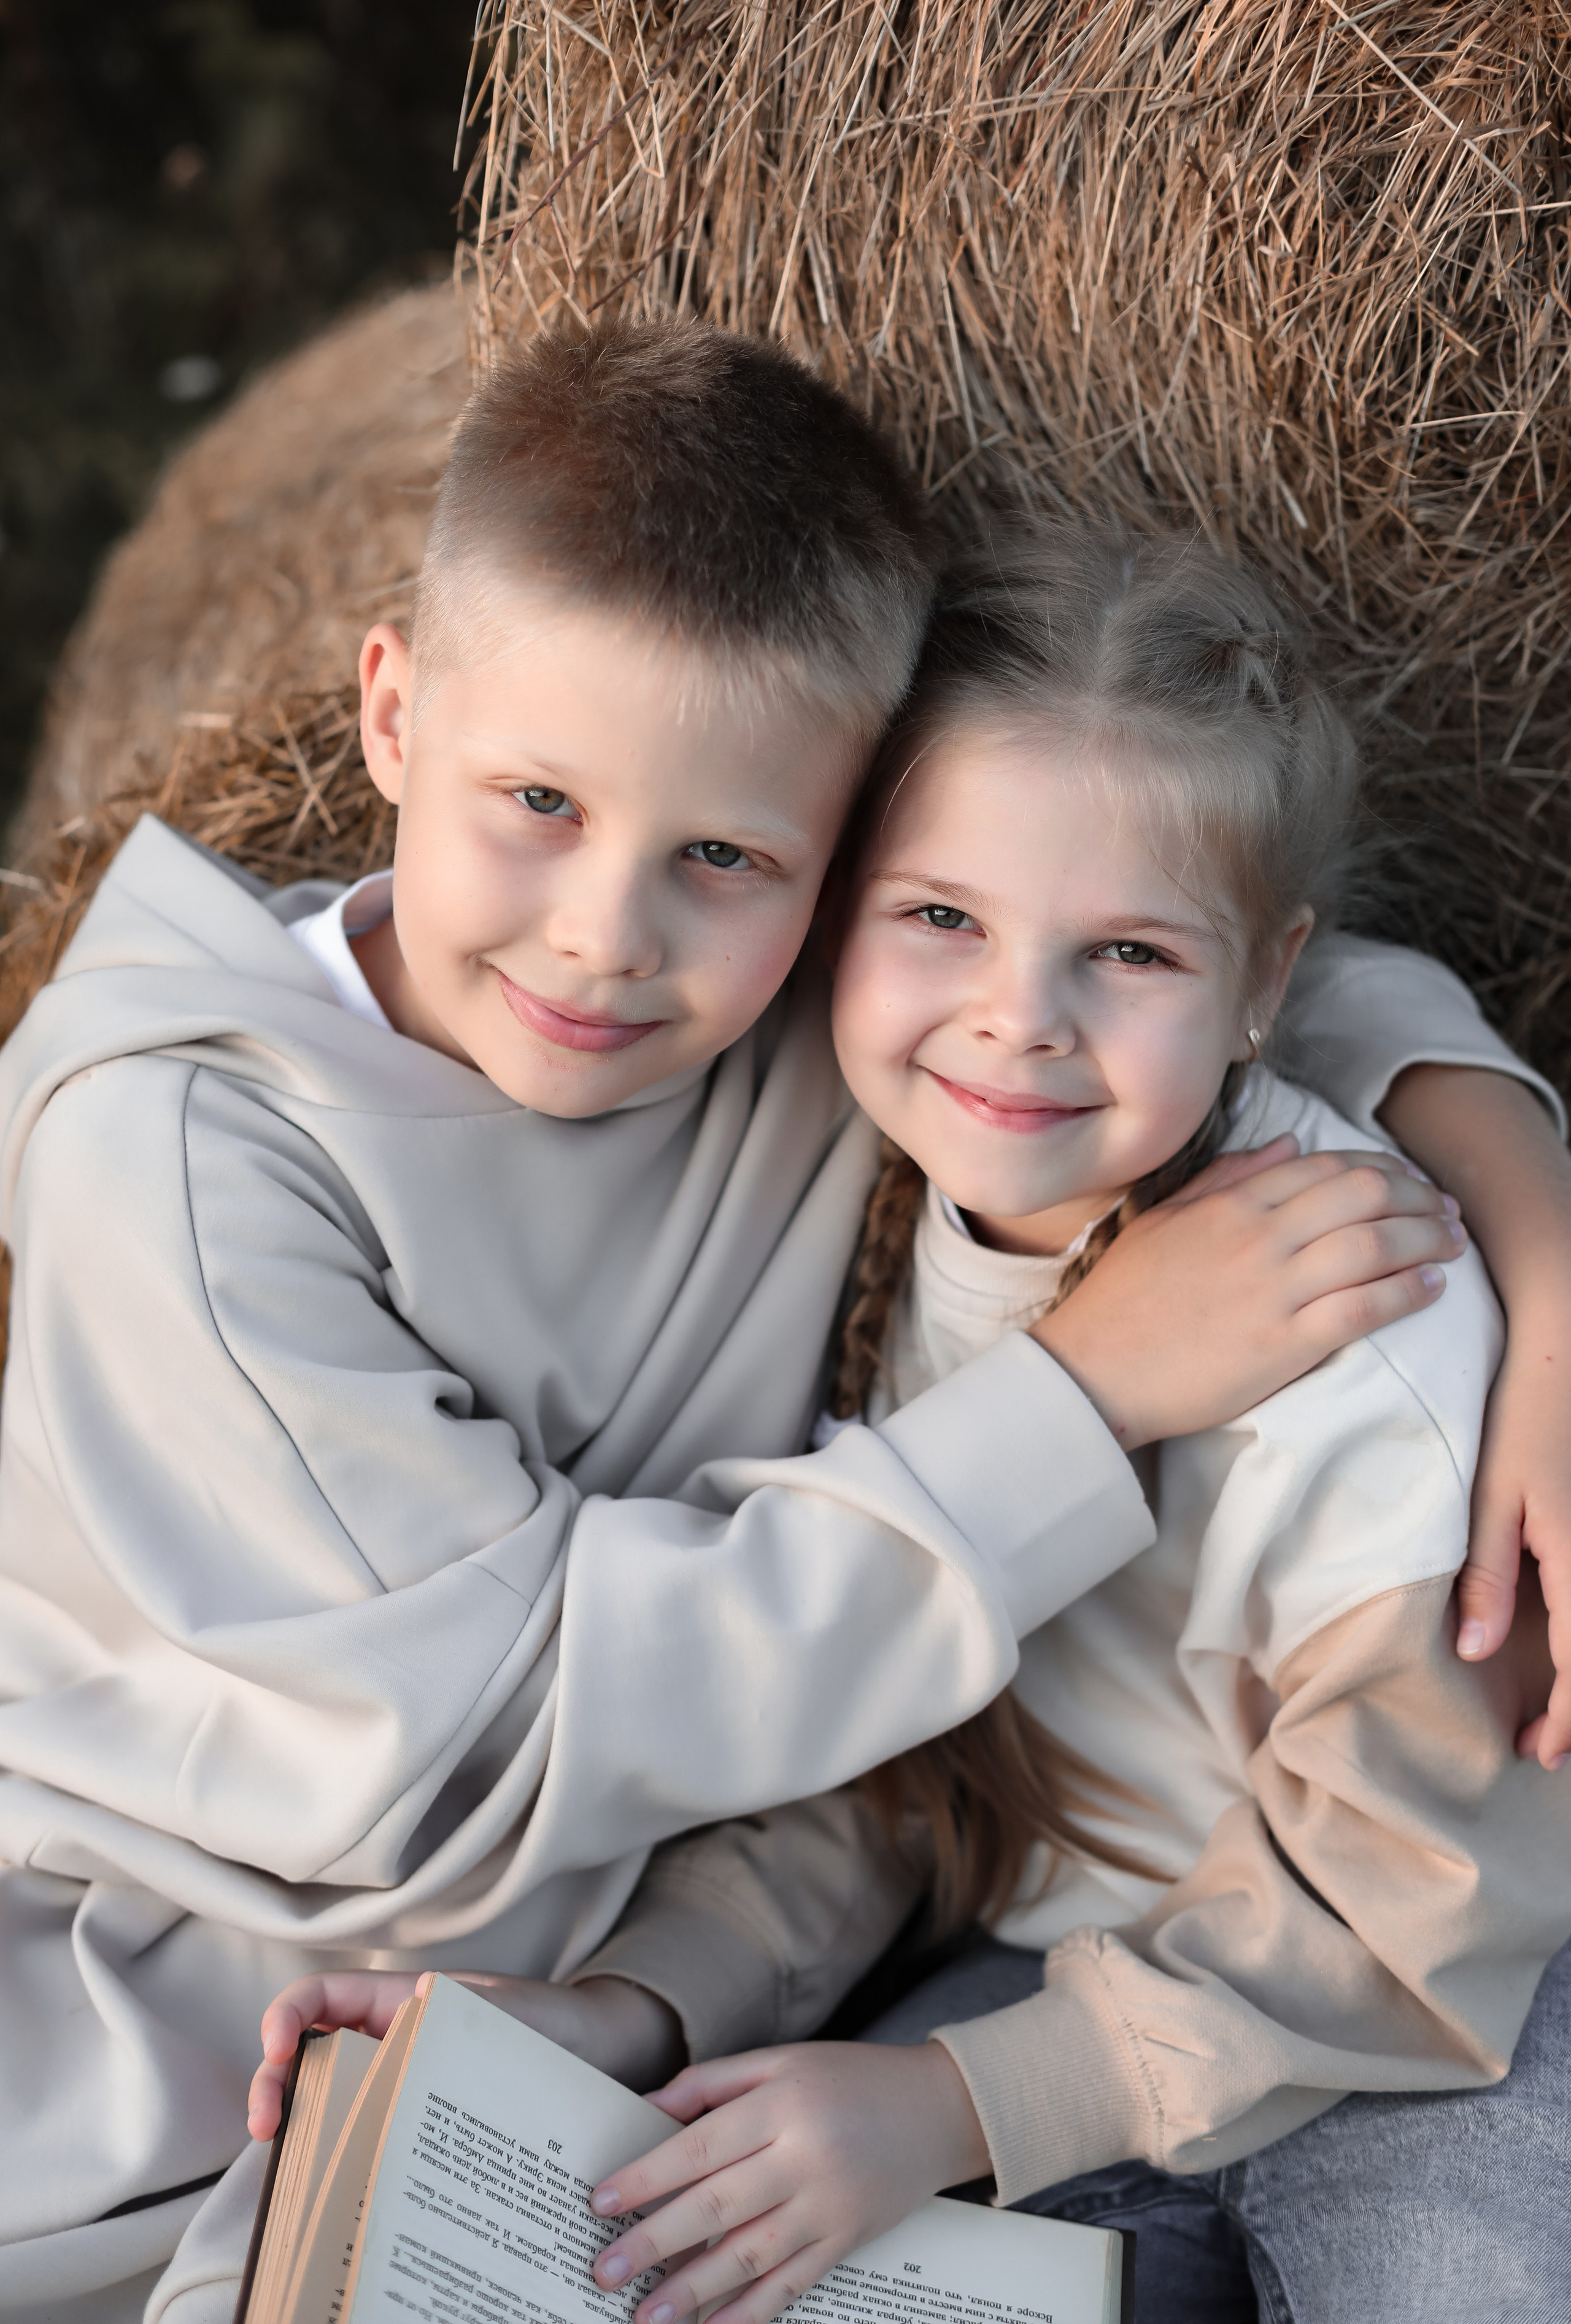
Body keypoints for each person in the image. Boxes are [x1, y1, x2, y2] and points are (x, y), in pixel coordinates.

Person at [0, 323, 1557, 2324]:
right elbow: (548, 1720)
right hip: (201, 1982)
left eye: (728, 857)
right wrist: (1090, 1392)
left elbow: (1186, 927)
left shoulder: (814, 1014)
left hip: (876, 1960)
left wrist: (1542, 1248)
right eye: (537, 801)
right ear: (388, 711)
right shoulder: (188, 1161)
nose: (604, 935)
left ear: (820, 870)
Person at [513, 522, 1571, 2324]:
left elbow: (1417, 1915)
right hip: (1080, 1983)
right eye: (941, 918)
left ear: (1264, 984)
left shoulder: (1373, 1336)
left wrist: (948, 2103)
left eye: (1131, 955)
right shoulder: (855, 1237)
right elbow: (897, 1755)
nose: (1019, 1018)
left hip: (1432, 1995)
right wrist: (642, 1998)